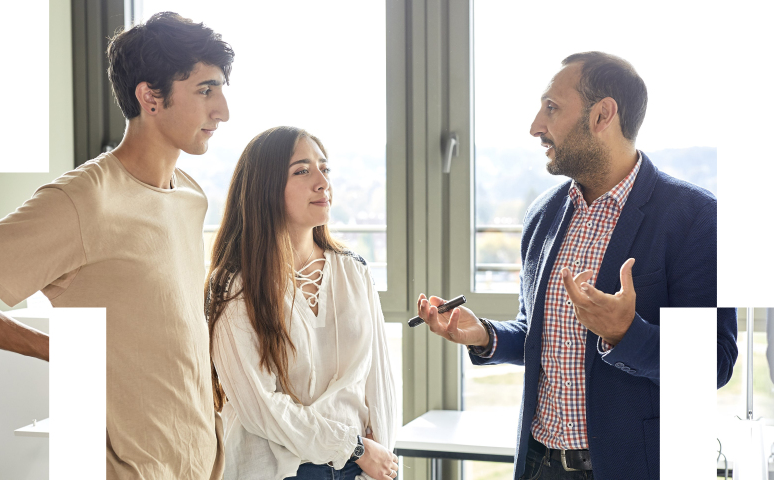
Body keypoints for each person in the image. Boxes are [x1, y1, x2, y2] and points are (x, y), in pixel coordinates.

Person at [416, 52, 738, 480]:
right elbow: (539, 334)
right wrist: (486, 335)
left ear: (603, 114)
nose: (535, 125)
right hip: (538, 464)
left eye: (551, 107)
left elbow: (714, 364)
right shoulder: (543, 214)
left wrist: (626, 333)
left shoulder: (697, 217)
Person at [0, 12, 233, 480]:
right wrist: (48, 346)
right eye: (206, 90)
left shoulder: (190, 196)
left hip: (199, 463)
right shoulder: (83, 200)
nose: (223, 110)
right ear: (150, 97)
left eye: (221, 89)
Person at [205, 126, 398, 480]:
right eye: (302, 170)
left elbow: (378, 385)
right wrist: (351, 446)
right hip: (279, 472)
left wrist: (381, 460)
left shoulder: (355, 272)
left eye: (324, 168)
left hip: (358, 469)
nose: (322, 182)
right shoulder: (233, 285)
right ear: (265, 187)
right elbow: (259, 407)